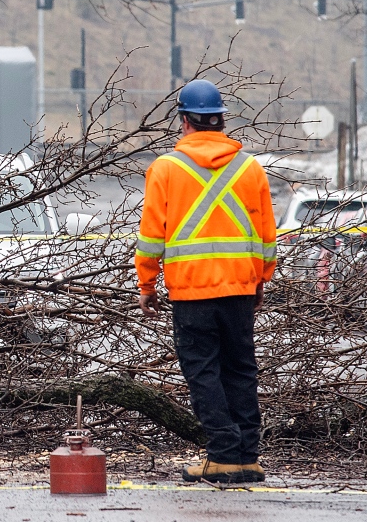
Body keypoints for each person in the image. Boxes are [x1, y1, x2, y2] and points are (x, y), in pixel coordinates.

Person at [134, 79, 276, 484]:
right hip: (239, 290)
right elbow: (267, 235)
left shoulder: (166, 168)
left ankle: (224, 454)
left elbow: (150, 236)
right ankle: (247, 456)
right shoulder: (250, 168)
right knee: (240, 370)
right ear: (221, 121)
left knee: (203, 372)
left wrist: (147, 285)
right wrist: (260, 280)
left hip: (192, 292)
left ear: (184, 121)